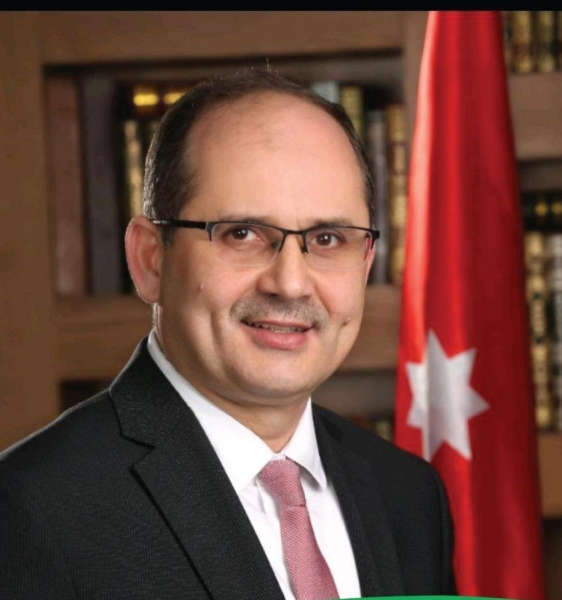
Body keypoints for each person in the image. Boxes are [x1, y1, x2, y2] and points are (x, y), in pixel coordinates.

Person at [0, 68, 457, 599]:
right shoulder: (30, 511)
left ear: (366, 261)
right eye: (242, 234)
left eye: (327, 239)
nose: (290, 283)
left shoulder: (408, 495)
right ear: (149, 259)